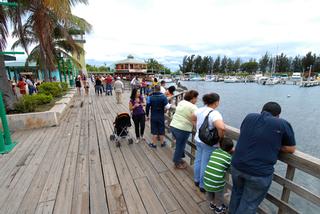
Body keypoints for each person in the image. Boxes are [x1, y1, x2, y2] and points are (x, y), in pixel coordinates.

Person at [229, 102, 296, 214]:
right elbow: (291, 149)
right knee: (249, 203)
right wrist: (275, 145)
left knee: (236, 194)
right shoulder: (282, 124)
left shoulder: (249, 117)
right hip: (259, 172)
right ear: (278, 115)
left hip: (237, 166)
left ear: (262, 110)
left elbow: (245, 132)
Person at [192, 93, 225, 193]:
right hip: (208, 142)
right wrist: (220, 138)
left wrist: (198, 128)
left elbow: (192, 118)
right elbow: (221, 128)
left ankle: (196, 180)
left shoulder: (199, 110)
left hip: (198, 139)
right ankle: (202, 185)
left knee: (198, 160)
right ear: (216, 102)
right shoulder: (215, 113)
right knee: (205, 163)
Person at [204, 138, 234, 214]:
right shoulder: (228, 157)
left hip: (207, 178)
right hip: (217, 181)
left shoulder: (215, 151)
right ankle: (219, 208)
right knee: (219, 195)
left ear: (220, 146)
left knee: (210, 191)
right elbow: (230, 169)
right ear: (230, 149)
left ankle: (212, 204)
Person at [170, 90, 198, 169]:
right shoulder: (193, 107)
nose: (196, 100)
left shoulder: (181, 102)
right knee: (180, 146)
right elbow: (196, 118)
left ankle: (180, 159)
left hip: (173, 126)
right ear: (192, 98)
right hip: (182, 129)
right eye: (196, 98)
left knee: (179, 144)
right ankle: (176, 162)